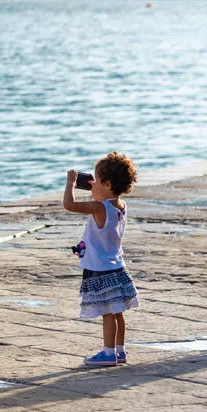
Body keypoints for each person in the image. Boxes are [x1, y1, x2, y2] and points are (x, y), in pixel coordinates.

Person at [63, 151, 140, 367]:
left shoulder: (99, 207)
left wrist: (70, 182)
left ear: (107, 184)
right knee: (118, 312)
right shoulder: (121, 206)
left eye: (96, 180)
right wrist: (96, 189)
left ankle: (108, 353)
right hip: (117, 267)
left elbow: (69, 205)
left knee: (107, 311)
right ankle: (120, 350)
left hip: (101, 269)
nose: (91, 184)